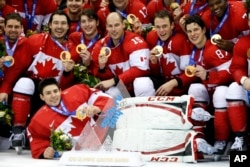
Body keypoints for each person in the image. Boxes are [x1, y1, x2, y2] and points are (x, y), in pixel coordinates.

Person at [3, 10, 79, 152]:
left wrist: (69, 72)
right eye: (56, 22)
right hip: (32, 93)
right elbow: (17, 68)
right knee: (24, 82)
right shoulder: (34, 41)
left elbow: (67, 87)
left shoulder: (73, 50)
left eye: (63, 23)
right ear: (49, 25)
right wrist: (5, 89)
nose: (59, 26)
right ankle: (18, 131)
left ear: (69, 27)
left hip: (52, 97)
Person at [26, 77, 113, 159]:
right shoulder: (38, 120)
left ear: (60, 91)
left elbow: (106, 98)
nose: (53, 95)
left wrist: (97, 107)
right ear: (42, 97)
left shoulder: (77, 91)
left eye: (55, 91)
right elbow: (36, 139)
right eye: (48, 93)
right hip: (79, 155)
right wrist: (44, 152)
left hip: (107, 137)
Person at [213, 9, 250, 153]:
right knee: (234, 87)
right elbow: (236, 68)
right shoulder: (243, 42)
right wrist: (244, 79)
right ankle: (240, 141)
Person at [92, 12, 152, 97]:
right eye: (110, 26)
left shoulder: (135, 41)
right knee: (111, 93)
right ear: (106, 27)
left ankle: (147, 109)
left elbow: (141, 69)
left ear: (123, 25)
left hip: (138, 87)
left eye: (116, 25)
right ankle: (118, 111)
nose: (113, 29)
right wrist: (102, 69)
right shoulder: (100, 47)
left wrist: (114, 80)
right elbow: (104, 81)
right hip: (123, 90)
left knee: (142, 84)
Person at [145, 10, 191, 96]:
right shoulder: (151, 37)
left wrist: (173, 83)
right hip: (163, 85)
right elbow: (157, 74)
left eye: (164, 26)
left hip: (181, 87)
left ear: (172, 25)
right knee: (142, 82)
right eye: (158, 27)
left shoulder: (180, 41)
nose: (161, 30)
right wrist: (154, 63)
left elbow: (190, 72)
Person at [68, 8, 101, 74]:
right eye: (83, 21)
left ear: (97, 22)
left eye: (90, 20)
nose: (87, 24)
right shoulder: (74, 37)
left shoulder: (103, 42)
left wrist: (89, 64)